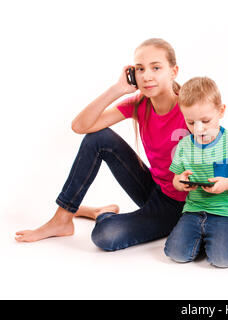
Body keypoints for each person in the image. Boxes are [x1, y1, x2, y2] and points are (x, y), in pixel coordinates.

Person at [15, 38, 190, 251]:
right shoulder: (139, 104)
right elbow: (80, 126)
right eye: (140, 69)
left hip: (180, 204)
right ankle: (62, 218)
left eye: (156, 67)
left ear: (173, 71)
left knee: (106, 235)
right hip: (154, 188)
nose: (147, 76)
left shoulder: (189, 107)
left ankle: (100, 213)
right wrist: (118, 89)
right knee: (98, 138)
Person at [164, 77, 228, 267]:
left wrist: (227, 184)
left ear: (221, 111)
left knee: (222, 260)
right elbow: (175, 179)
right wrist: (180, 182)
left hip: (226, 211)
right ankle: (207, 239)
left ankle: (221, 239)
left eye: (205, 121)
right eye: (190, 122)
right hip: (194, 210)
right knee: (176, 254)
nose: (198, 129)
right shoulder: (184, 145)